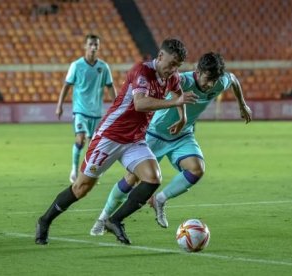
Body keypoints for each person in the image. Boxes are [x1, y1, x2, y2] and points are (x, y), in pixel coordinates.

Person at [35, 38, 198, 245]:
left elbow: (178, 94)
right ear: (160, 56)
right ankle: (44, 221)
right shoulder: (142, 71)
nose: (173, 69)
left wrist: (182, 117)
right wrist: (175, 102)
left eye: (177, 65)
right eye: (171, 63)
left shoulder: (171, 77)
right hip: (110, 137)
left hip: (135, 140)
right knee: (81, 188)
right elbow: (140, 104)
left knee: (153, 178)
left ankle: (115, 220)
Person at [89, 52, 252, 236]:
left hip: (182, 135)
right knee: (131, 179)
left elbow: (233, 79)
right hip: (153, 134)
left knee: (197, 169)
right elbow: (146, 97)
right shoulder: (181, 81)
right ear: (197, 71)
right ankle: (103, 219)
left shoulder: (219, 82)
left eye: (213, 80)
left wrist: (242, 105)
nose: (210, 85)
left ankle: (159, 199)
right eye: (207, 79)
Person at [56, 34, 117, 184]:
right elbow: (66, 86)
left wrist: (117, 106)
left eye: (96, 44)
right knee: (80, 138)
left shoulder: (103, 67)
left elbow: (110, 87)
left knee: (94, 144)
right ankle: (74, 170)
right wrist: (59, 105)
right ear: (85, 46)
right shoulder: (76, 65)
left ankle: (90, 171)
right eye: (91, 44)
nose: (93, 47)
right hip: (80, 111)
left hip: (96, 112)